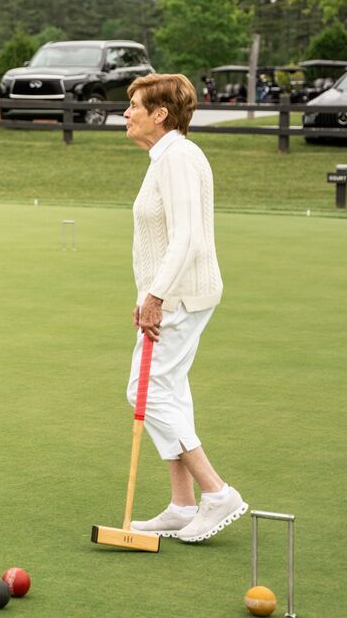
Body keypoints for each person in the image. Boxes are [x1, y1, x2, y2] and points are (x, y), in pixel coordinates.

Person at [122, 73, 247, 542]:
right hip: (171, 294)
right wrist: (146, 295)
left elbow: (187, 237)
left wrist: (156, 296)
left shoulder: (177, 157)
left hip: (180, 296)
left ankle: (216, 493)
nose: (127, 113)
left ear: (161, 114)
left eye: (135, 105)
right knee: (167, 392)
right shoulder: (166, 157)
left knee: (144, 392)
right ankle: (182, 504)